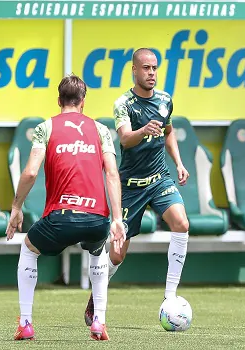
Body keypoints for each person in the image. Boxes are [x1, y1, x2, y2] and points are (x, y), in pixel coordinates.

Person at [6, 74, 126, 341]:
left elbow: (30, 173)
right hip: (97, 219)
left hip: (60, 218)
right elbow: (112, 174)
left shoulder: (45, 127)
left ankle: (25, 323)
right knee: (97, 251)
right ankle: (99, 323)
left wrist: (16, 207)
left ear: (59, 100)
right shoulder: (100, 130)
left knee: (29, 249)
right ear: (83, 102)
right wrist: (117, 219)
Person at [84, 48, 190, 326]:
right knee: (117, 254)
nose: (151, 73)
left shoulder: (166, 100)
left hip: (160, 178)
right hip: (131, 186)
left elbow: (168, 132)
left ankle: (170, 297)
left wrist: (178, 163)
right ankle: (96, 297)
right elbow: (125, 140)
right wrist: (144, 130)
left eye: (154, 68)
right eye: (146, 68)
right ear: (134, 70)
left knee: (181, 223)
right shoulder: (124, 103)